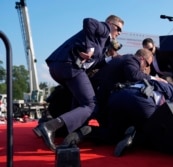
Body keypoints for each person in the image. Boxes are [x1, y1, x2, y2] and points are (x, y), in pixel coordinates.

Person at [33, 15, 124, 151]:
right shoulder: (104, 28)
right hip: (69, 66)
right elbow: (89, 21)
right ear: (110, 24)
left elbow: (95, 62)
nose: (119, 32)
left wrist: (111, 59)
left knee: (79, 102)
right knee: (91, 105)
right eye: (118, 28)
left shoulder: (104, 41)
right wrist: (90, 47)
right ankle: (49, 127)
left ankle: (68, 135)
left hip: (60, 66)